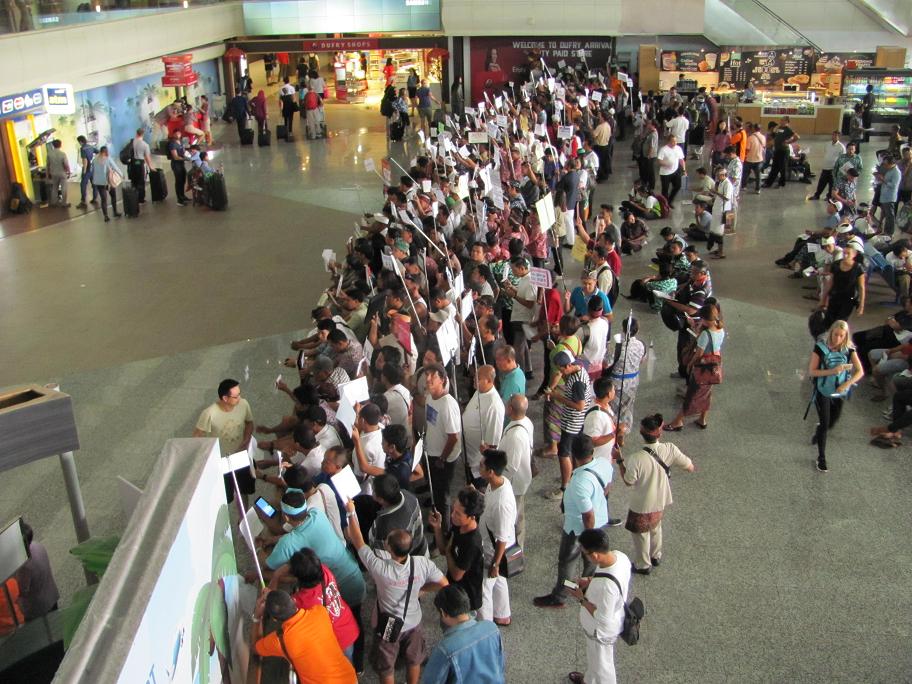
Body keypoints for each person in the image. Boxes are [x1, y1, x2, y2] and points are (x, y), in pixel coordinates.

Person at [346, 501, 447, 684]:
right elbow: (443, 583)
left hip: (388, 625)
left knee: (386, 667)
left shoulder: (380, 568)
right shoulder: (422, 564)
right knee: (414, 659)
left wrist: (351, 512)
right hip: (413, 620)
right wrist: (422, 589)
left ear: (389, 549)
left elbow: (357, 540)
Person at [533, 434, 612, 608]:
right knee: (590, 561)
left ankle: (561, 594)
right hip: (599, 523)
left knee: (567, 562)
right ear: (592, 450)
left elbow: (588, 515)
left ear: (573, 455)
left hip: (577, 529)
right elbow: (607, 488)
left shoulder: (579, 482)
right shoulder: (604, 464)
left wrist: (587, 540)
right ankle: (587, 587)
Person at [617, 414, 695, 574]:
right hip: (661, 500)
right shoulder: (670, 449)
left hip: (642, 503)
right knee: (656, 526)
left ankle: (643, 564)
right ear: (659, 433)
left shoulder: (636, 458)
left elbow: (628, 481)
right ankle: (656, 555)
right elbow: (689, 466)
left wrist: (619, 461)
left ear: (641, 432)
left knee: (641, 535)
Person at [566, 528, 631, 684]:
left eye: (585, 553)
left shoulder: (606, 586)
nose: (585, 556)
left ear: (594, 554)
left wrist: (581, 598)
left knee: (603, 667)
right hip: (612, 616)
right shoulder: (620, 557)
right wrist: (589, 580)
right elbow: (606, 573)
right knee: (594, 659)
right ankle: (589, 680)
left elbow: (603, 618)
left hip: (600, 632)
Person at [251, 589, 356, 684]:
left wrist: (257, 617)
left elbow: (255, 648)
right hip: (349, 678)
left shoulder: (281, 641)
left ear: (274, 619)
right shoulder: (320, 612)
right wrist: (275, 596)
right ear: (293, 600)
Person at [807, 320, 864, 472]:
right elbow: (812, 371)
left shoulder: (849, 349)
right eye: (835, 334)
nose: (837, 338)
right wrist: (832, 371)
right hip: (823, 389)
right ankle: (821, 457)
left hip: (839, 390)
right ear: (831, 332)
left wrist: (848, 383)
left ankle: (820, 430)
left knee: (833, 420)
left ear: (845, 336)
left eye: (841, 336)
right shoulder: (821, 347)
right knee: (825, 423)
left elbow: (860, 371)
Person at [420, 585, 506, 684]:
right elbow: (500, 663)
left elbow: (431, 681)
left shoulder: (445, 648)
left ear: (443, 613)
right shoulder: (491, 628)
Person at [288, 548, 359, 661]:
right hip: (347, 627)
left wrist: (276, 576)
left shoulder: (302, 601)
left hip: (334, 639)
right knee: (348, 664)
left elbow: (286, 609)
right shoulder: (325, 572)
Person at [193, 378, 255, 504]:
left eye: (239, 394)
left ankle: (243, 518)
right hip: (222, 461)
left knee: (243, 489)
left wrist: (246, 439)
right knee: (225, 496)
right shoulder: (209, 413)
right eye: (236, 396)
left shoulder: (243, 404)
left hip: (241, 456)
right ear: (225, 398)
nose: (240, 398)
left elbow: (249, 423)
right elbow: (197, 436)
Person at [665, 303, 725, 431]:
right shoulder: (721, 329)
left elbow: (698, 354)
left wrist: (690, 365)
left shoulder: (706, 335)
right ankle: (702, 419)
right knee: (707, 393)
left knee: (692, 394)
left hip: (703, 368)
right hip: (715, 366)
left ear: (705, 319)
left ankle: (678, 421)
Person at [543, 350, 594, 498]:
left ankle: (565, 487)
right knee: (573, 450)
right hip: (574, 421)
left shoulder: (578, 382)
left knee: (563, 453)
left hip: (573, 422)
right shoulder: (578, 367)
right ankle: (572, 475)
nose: (559, 373)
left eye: (560, 369)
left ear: (566, 366)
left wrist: (557, 396)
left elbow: (579, 405)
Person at [428, 487, 485, 614]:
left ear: (472, 517)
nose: (452, 515)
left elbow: (457, 575)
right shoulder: (458, 526)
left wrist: (448, 552)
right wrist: (437, 528)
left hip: (466, 599)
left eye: (458, 514)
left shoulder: (472, 542)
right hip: (455, 589)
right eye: (454, 510)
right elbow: (443, 549)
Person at [477, 449, 517, 625]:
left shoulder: (502, 504)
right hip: (492, 545)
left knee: (485, 587)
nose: (479, 466)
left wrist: (495, 563)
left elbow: (502, 539)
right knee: (499, 580)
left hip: (493, 550)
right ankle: (502, 614)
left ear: (490, 472)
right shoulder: (497, 483)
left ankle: (486, 627)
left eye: (481, 465)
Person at [423, 364, 463, 528]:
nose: (428, 380)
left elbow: (453, 437)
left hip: (444, 458)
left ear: (443, 380)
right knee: (436, 488)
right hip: (432, 451)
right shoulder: (429, 397)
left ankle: (443, 528)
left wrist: (442, 458)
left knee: (442, 495)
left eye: (433, 377)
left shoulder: (448, 405)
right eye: (427, 376)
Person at [462, 364, 505, 486]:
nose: (474, 379)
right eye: (475, 376)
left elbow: (492, 444)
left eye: (478, 378)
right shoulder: (479, 391)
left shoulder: (494, 406)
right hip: (468, 457)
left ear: (489, 381)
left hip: (478, 465)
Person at [500, 394, 533, 548]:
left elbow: (511, 466)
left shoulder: (515, 435)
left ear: (511, 409)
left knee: (516, 516)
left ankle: (517, 548)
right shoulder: (526, 422)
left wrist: (499, 481)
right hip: (521, 477)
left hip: (515, 482)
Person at [367, 474, 427, 556]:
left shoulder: (384, 526)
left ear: (381, 499)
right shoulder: (409, 496)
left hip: (407, 561)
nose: (372, 492)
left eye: (373, 490)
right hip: (420, 547)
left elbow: (383, 557)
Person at [14, 521, 59, 621]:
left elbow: (23, 591)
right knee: (56, 627)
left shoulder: (25, 566)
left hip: (37, 608)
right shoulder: (37, 545)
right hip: (51, 595)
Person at [820, 240, 865, 324]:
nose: (845, 255)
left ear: (854, 255)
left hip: (848, 300)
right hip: (835, 297)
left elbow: (861, 287)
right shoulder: (836, 265)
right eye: (844, 253)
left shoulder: (858, 268)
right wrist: (824, 299)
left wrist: (861, 306)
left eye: (848, 253)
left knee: (841, 322)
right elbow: (830, 283)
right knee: (828, 320)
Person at [89, 146, 122, 222]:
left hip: (98, 182)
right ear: (106, 152)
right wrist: (121, 174)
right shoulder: (108, 158)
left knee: (104, 199)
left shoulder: (95, 159)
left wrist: (93, 180)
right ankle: (115, 212)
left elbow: (92, 170)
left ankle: (106, 216)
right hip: (108, 181)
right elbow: (115, 167)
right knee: (113, 196)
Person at [810, 131, 846, 201]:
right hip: (825, 167)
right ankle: (817, 195)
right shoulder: (827, 144)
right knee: (821, 182)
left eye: (836, 136)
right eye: (833, 135)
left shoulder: (841, 147)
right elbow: (826, 153)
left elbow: (842, 159)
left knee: (831, 184)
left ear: (839, 137)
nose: (834, 137)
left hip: (833, 168)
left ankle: (829, 196)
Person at [764, 118, 798, 188]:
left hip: (784, 150)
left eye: (783, 121)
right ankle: (768, 182)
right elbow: (775, 136)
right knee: (774, 167)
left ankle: (781, 183)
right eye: (781, 120)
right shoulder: (779, 128)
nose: (781, 122)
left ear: (787, 122)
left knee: (782, 167)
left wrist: (788, 142)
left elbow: (797, 137)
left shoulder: (788, 129)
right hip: (777, 150)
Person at [657, 134, 685, 207]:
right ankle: (664, 204)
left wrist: (684, 169)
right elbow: (659, 161)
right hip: (665, 173)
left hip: (675, 171)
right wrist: (666, 164)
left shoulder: (678, 148)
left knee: (678, 185)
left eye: (676, 141)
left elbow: (681, 160)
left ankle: (670, 200)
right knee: (665, 190)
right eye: (673, 141)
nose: (675, 143)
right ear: (668, 141)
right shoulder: (663, 149)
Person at [129, 127, 155, 204]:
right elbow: (147, 157)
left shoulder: (131, 142)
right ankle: (141, 199)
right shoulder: (145, 145)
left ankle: (134, 197)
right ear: (143, 134)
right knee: (141, 181)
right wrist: (151, 167)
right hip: (140, 164)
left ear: (136, 133)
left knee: (134, 181)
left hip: (132, 163)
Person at [878, 154, 901, 236]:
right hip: (885, 196)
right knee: (887, 215)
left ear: (891, 163)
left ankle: (889, 233)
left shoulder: (896, 172)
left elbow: (894, 185)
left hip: (889, 197)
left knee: (890, 216)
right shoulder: (890, 170)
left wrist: (883, 180)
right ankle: (886, 231)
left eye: (886, 164)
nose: (885, 166)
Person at [45, 139, 70, 208]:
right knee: (64, 188)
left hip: (53, 173)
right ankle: (64, 203)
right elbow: (66, 164)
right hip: (62, 173)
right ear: (60, 145)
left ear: (53, 145)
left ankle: (54, 202)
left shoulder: (49, 154)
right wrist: (68, 172)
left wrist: (47, 175)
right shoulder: (62, 154)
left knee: (54, 188)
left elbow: (47, 165)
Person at [167, 129, 189, 207]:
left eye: (179, 133)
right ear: (173, 134)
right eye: (176, 134)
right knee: (179, 181)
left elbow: (183, 151)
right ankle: (179, 200)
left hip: (181, 164)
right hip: (176, 165)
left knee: (183, 180)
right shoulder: (172, 144)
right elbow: (175, 157)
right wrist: (185, 159)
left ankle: (183, 196)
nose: (177, 135)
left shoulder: (181, 142)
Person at [75, 135, 98, 209]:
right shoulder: (90, 147)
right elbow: (98, 152)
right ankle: (94, 198)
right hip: (92, 168)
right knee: (94, 184)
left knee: (83, 185)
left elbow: (84, 160)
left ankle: (83, 201)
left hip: (87, 169)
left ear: (80, 141)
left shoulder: (83, 148)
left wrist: (84, 171)